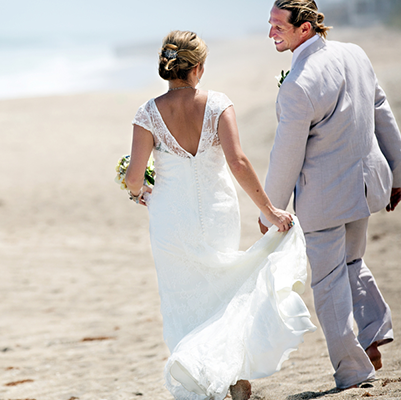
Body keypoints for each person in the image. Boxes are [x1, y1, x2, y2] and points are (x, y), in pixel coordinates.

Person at [125, 30, 316, 400]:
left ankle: (202, 371)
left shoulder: (148, 113)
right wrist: (270, 210)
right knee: (225, 288)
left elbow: (134, 177)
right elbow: (238, 162)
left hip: (170, 219)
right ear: (197, 67)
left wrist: (139, 194)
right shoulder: (218, 105)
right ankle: (234, 376)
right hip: (217, 211)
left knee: (184, 296)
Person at [260, 0, 401, 390]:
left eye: (278, 26)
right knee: (353, 262)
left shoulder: (298, 83)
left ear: (304, 29)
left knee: (328, 284)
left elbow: (286, 155)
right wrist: (397, 171)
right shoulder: (354, 53)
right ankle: (372, 334)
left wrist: (271, 208)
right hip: (367, 183)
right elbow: (380, 109)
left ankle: (354, 370)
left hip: (324, 199)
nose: (271, 33)